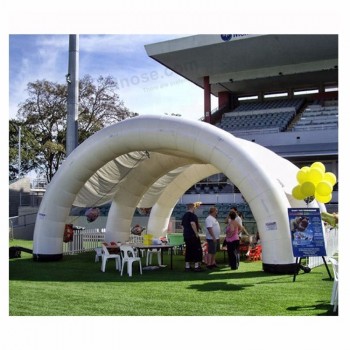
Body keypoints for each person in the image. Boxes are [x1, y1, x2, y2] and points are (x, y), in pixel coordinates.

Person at [181, 203, 203, 272]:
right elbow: (192, 223)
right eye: (194, 208)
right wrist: (196, 233)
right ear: (192, 207)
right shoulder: (193, 215)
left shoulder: (184, 216)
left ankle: (187, 266)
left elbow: (182, 226)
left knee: (188, 250)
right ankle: (196, 266)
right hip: (193, 235)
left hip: (186, 235)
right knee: (196, 250)